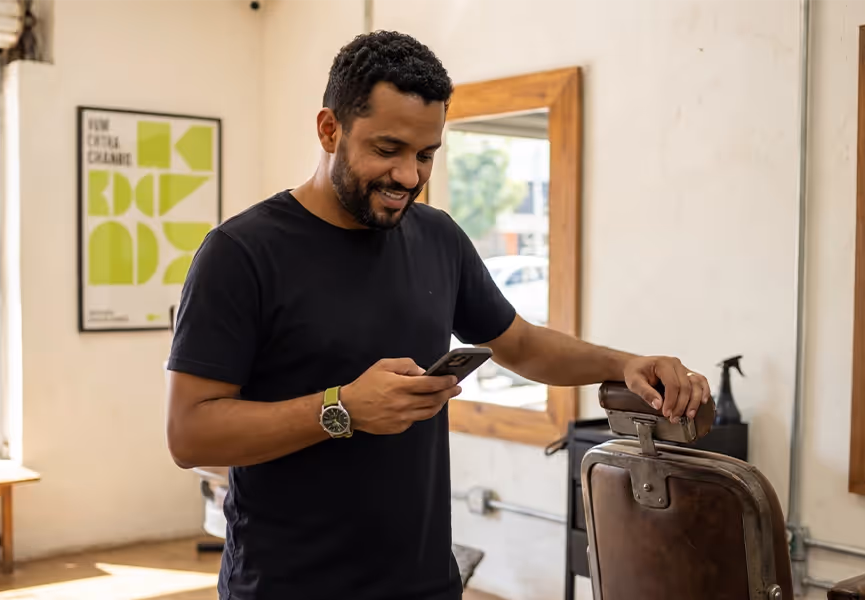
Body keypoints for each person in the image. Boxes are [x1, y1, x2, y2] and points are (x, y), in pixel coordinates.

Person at [165, 30, 710, 600]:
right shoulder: (240, 254)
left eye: (425, 155)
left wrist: (625, 364)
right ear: (329, 130)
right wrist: (342, 409)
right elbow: (189, 435)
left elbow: (521, 344)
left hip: (425, 585)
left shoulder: (438, 238)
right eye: (388, 149)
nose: (409, 176)